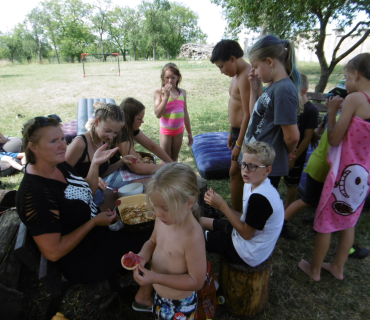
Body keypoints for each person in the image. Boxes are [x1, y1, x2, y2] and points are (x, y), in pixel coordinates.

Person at [15, 114, 153, 308]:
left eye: (62, 138)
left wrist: (95, 164)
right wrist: (94, 222)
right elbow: (53, 252)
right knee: (155, 235)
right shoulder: (36, 194)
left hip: (97, 232)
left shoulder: (57, 165)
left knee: (152, 220)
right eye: (54, 141)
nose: (63, 145)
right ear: (33, 147)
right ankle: (144, 296)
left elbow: (83, 191)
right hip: (83, 258)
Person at [298, 53, 370, 281]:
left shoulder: (355, 99)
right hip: (364, 174)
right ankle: (338, 267)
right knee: (349, 221)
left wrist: (332, 113)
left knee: (326, 221)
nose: (346, 83)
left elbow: (336, 138)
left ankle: (315, 269)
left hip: (343, 173)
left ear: (356, 75)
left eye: (347, 77)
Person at [132, 162, 206, 319]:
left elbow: (196, 281)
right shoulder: (164, 219)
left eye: (165, 208)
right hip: (160, 296)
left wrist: (156, 278)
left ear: (189, 202)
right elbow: (152, 242)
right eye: (155, 206)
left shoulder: (192, 236)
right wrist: (141, 256)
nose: (157, 213)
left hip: (180, 305)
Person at [201, 141, 284, 267]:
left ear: (267, 170)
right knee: (211, 222)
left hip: (248, 252)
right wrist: (220, 206)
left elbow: (246, 234)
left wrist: (222, 206)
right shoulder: (251, 183)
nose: (245, 170)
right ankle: (192, 220)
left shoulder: (261, 198)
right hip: (249, 238)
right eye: (244, 164)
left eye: (252, 166)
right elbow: (246, 218)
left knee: (199, 238)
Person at [243, 34, 300, 190]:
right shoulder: (273, 86)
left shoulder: (284, 90)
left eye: (255, 65)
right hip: (256, 162)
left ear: (269, 62)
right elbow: (256, 117)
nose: (253, 70)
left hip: (265, 167)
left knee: (259, 208)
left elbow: (292, 136)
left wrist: (285, 153)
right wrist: (254, 89)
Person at [66, 103, 136, 211]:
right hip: (82, 199)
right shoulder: (80, 143)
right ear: (97, 121)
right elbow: (61, 176)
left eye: (115, 133)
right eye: (107, 131)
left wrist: (122, 161)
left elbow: (103, 172)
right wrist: (90, 179)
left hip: (97, 192)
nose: (111, 136)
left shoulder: (103, 140)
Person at [210, 40, 252, 212]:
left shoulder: (246, 77)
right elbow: (236, 108)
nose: (221, 71)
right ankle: (237, 213)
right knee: (235, 174)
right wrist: (231, 131)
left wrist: (239, 144)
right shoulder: (236, 75)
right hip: (237, 131)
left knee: (236, 174)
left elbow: (249, 114)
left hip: (246, 135)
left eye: (222, 66)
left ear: (232, 58)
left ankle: (236, 215)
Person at [281, 73, 318, 239]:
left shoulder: (311, 110)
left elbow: (307, 138)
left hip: (296, 156)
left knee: (292, 186)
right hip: (282, 153)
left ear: (303, 91)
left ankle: (284, 218)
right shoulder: (291, 107)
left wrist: (294, 156)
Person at [114, 97, 173, 188]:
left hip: (117, 169)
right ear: (129, 118)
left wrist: (170, 163)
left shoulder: (129, 127)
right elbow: (138, 168)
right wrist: (168, 167)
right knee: (161, 183)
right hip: (109, 177)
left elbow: (152, 146)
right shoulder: (121, 133)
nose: (142, 121)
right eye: (139, 119)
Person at [154, 63, 193, 162]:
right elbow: (158, 114)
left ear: (178, 77)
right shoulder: (159, 93)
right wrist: (166, 97)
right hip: (166, 131)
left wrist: (189, 133)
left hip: (179, 131)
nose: (170, 81)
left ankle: (173, 177)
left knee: (174, 158)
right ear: (163, 78)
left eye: (173, 77)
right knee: (166, 160)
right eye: (167, 77)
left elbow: (185, 113)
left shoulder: (182, 92)